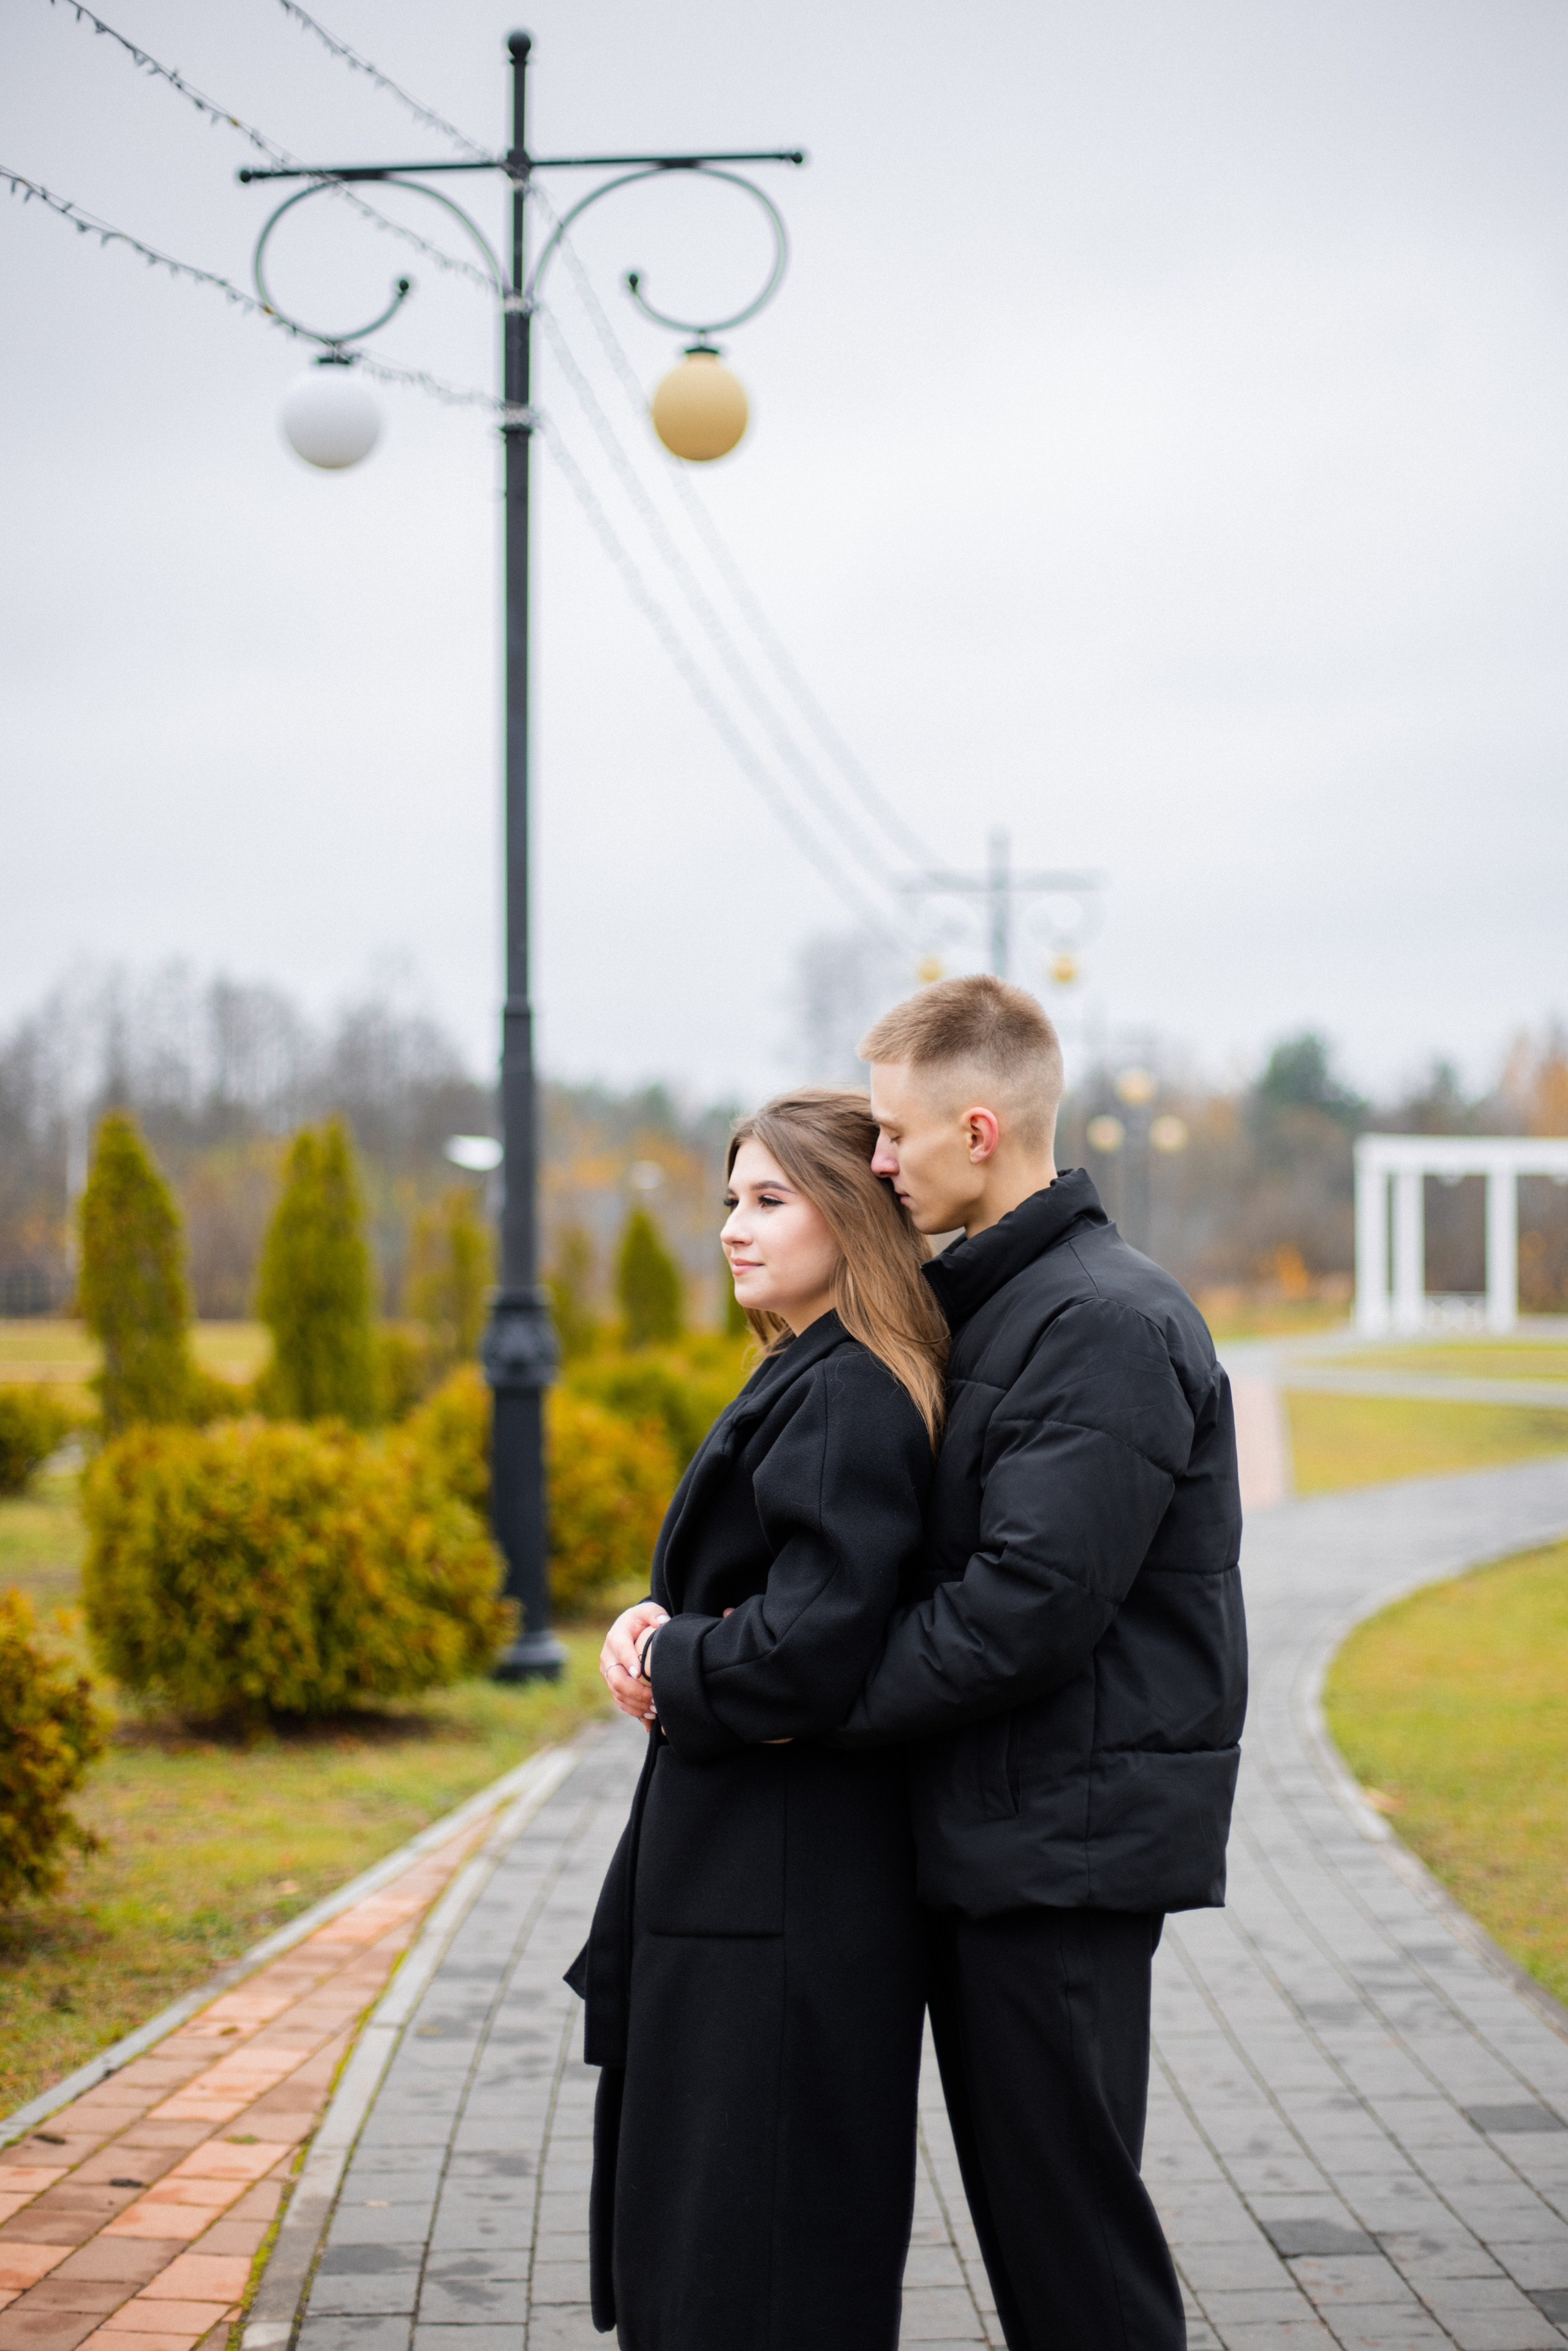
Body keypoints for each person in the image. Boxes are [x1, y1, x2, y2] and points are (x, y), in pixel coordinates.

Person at [824, 972, 1248, 2351]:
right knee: (1043, 2241)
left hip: (1061, 1855)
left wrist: (812, 1703)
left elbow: (1024, 1606)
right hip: (1004, 1836)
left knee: (1076, 2262)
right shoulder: (1002, 1305)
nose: (877, 1162)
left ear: (979, 1130)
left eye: (894, 1133)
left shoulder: (1103, 1323)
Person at [570, 1088, 949, 2351]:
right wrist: (657, 1623)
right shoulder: (803, 1371)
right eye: (731, 1198)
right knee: (720, 2239)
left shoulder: (849, 1391)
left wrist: (672, 1658)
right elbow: (765, 1601)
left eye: (770, 1199)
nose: (734, 1226)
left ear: (850, 1216)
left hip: (782, 1897)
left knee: (755, 2256)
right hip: (748, 1879)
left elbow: (806, 1651)